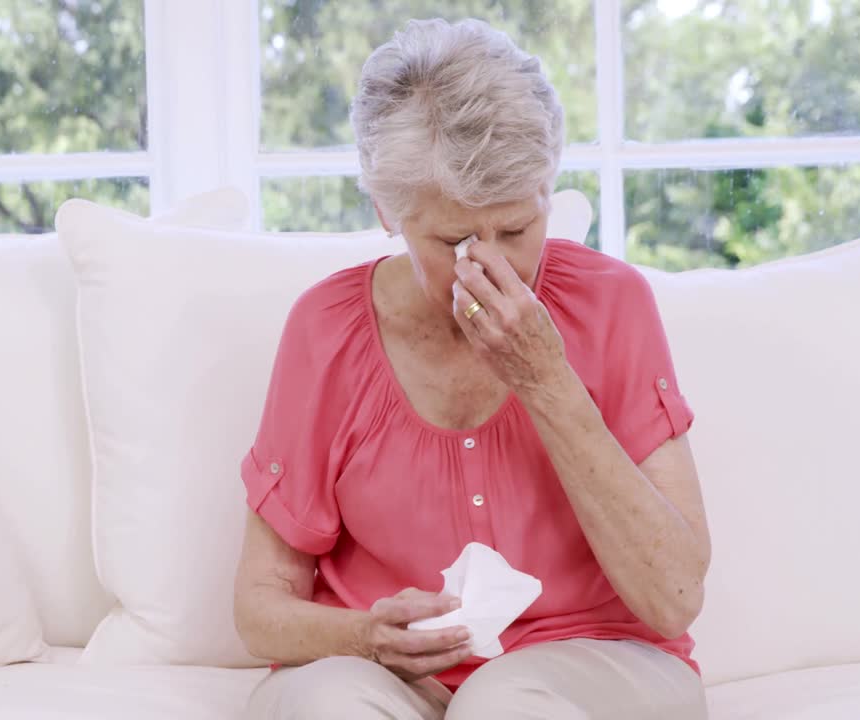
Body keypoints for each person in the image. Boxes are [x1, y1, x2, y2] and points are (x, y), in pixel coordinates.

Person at [233, 17, 711, 720]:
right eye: (456, 238)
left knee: (506, 704)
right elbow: (258, 607)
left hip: (598, 664)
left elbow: (673, 598)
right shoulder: (325, 330)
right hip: (377, 670)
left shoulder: (614, 305)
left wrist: (547, 379)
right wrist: (364, 637)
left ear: (548, 189)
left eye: (517, 230)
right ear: (388, 211)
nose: (494, 264)